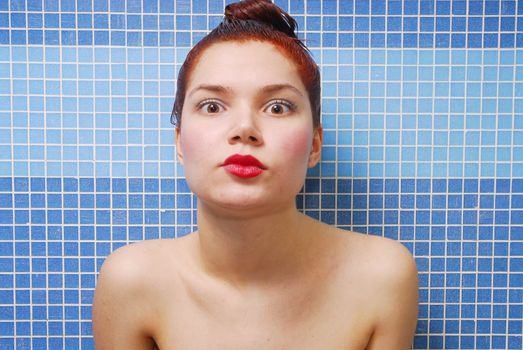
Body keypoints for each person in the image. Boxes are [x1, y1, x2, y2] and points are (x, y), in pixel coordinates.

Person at [92, 0, 419, 349]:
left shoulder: (381, 276)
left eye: (277, 106)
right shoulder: (132, 282)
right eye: (212, 106)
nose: (244, 128)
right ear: (180, 142)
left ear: (314, 145)